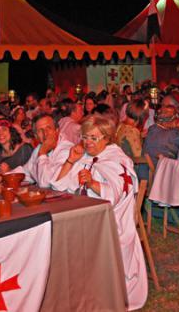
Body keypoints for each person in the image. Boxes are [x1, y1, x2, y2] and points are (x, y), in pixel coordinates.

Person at [50, 117, 148, 309]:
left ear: (107, 138)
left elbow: (117, 192)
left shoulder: (118, 160)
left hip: (112, 224)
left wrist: (93, 184)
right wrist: (71, 161)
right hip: (86, 218)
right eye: (85, 137)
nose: (88, 142)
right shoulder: (86, 157)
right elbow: (59, 184)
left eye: (94, 138)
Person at [8, 114, 73, 188]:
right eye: (40, 131)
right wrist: (4, 177)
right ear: (36, 136)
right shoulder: (40, 148)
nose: (45, 134)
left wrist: (42, 153)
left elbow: (45, 184)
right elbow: (27, 171)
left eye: (48, 128)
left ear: (57, 130)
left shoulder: (67, 150)